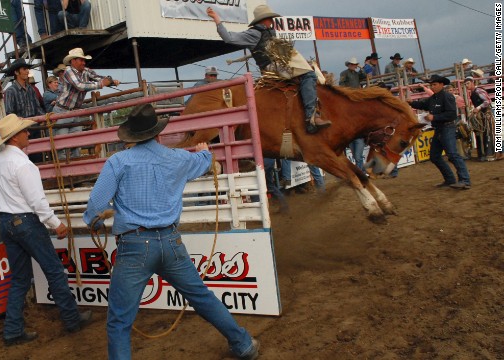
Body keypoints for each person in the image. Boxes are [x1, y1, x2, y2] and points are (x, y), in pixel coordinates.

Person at [83, 103, 260, 360]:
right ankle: (243, 344)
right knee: (201, 297)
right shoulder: (177, 159)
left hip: (134, 245)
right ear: (158, 133)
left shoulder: (118, 161)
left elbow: (96, 205)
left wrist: (95, 222)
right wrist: (204, 152)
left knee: (119, 321)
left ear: (132, 136)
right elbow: (203, 161)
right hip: (170, 240)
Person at [0, 113, 92, 346]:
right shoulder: (24, 165)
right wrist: (56, 223)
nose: (28, 133)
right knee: (54, 271)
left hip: (6, 221)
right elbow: (37, 202)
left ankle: (13, 331)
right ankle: (71, 319)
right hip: (26, 222)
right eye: (25, 131)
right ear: (15, 137)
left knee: (20, 279)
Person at [207, 5, 331, 134]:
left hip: (279, 66)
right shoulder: (254, 33)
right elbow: (228, 38)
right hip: (272, 68)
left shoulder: (270, 32)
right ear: (264, 19)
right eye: (270, 18)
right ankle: (311, 117)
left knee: (306, 73)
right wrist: (217, 19)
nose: (272, 21)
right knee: (309, 75)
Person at [52, 47, 118, 159]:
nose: (84, 62)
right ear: (73, 61)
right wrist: (102, 84)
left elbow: (99, 78)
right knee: (62, 146)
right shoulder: (68, 71)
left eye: (84, 60)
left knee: (76, 145)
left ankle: (75, 172)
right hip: (62, 111)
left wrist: (110, 81)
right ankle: (65, 173)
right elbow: (80, 86)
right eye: (81, 60)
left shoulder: (86, 71)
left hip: (74, 111)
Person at [408, 75, 471, 189]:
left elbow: (451, 114)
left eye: (434, 84)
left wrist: (434, 117)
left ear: (441, 85)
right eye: (431, 85)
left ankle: (464, 180)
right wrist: (411, 102)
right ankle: (452, 179)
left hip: (447, 127)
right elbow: (423, 104)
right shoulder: (434, 98)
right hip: (440, 129)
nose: (432, 87)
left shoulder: (447, 96)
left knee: (451, 154)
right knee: (435, 156)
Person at [4, 59, 45, 161]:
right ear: (16, 72)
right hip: (20, 130)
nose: (27, 71)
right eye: (24, 69)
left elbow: (37, 107)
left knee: (37, 156)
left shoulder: (30, 89)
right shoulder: (10, 91)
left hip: (34, 127)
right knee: (24, 158)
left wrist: (45, 117)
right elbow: (9, 113)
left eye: (27, 69)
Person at [339, 57, 366, 171]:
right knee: (357, 156)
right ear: (349, 64)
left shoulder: (356, 74)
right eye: (353, 64)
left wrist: (361, 68)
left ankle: (360, 173)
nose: (354, 66)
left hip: (355, 96)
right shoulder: (344, 73)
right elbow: (341, 84)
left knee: (357, 156)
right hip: (350, 95)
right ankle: (361, 172)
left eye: (355, 64)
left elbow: (364, 76)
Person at [464, 76, 493, 161]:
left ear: (472, 83)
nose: (467, 85)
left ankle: (486, 154)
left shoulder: (478, 90)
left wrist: (478, 108)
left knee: (485, 133)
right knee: (480, 134)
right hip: (480, 115)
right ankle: (483, 154)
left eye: (468, 83)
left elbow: (487, 101)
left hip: (484, 115)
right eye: (465, 84)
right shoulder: (474, 92)